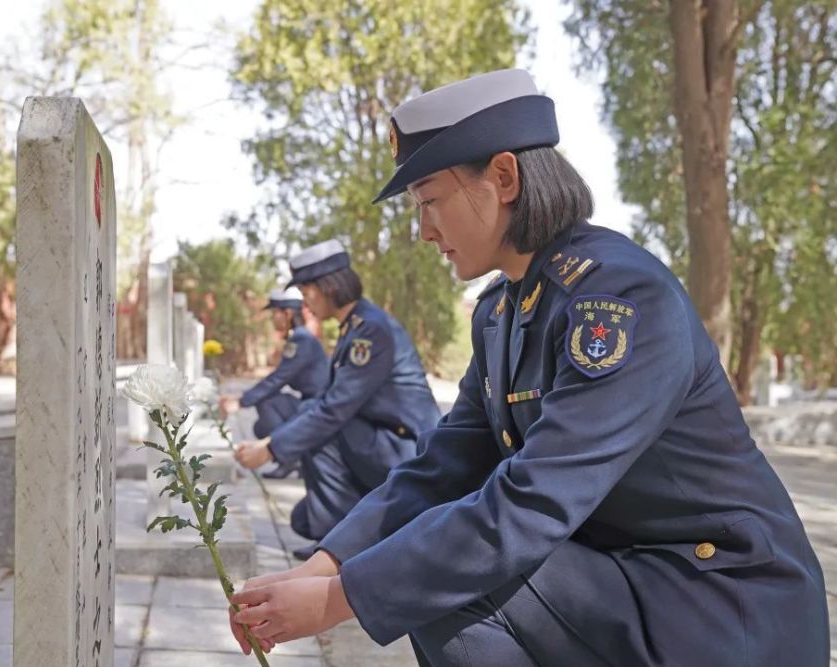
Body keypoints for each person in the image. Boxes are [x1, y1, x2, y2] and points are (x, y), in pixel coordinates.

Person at [227, 69, 830, 666]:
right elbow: (442, 468)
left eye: (430, 200)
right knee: (435, 562)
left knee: (449, 578)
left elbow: (534, 502)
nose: (423, 230)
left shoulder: (619, 299)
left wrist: (339, 600)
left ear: (505, 176)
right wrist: (321, 567)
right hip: (630, 580)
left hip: (720, 603)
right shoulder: (502, 312)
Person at [234, 239, 442, 560]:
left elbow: (334, 409)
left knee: (321, 427)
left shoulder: (370, 331)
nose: (305, 303)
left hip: (406, 450)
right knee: (302, 517)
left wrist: (271, 448)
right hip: (378, 441)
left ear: (328, 286)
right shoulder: (355, 326)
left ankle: (341, 545)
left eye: (306, 292)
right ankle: (347, 528)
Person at [221, 287, 329, 479]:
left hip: (317, 408)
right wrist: (241, 398)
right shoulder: (299, 338)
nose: (273, 320)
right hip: (312, 404)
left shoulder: (301, 340)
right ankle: (299, 458)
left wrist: (241, 402)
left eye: (275, 314)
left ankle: (289, 459)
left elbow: (278, 379)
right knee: (260, 426)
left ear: (287, 314)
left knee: (266, 402)